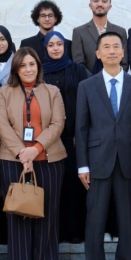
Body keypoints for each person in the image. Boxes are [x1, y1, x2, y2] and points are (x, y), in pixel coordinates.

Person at [76, 32, 131, 260]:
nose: (111, 51)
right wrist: (82, 166)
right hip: (97, 163)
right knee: (95, 222)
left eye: (116, 46)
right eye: (105, 47)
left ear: (123, 52)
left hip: (128, 163)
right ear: (97, 53)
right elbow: (81, 129)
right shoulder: (87, 86)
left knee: (127, 223)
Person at [0, 47, 67, 260]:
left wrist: (35, 149)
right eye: (23, 65)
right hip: (12, 161)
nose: (28, 69)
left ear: (38, 67)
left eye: (32, 64)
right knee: (18, 218)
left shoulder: (52, 91)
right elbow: (1, 125)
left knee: (47, 219)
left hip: (49, 160)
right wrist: (21, 153)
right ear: (16, 69)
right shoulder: (4, 93)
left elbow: (58, 123)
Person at [41, 30, 91, 244]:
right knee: (52, 184)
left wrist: (81, 133)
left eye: (59, 44)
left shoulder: (77, 70)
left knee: (72, 184)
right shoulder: (40, 71)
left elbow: (86, 102)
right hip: (47, 138)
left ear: (65, 46)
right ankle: (55, 231)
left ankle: (75, 231)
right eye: (51, 45)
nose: (55, 48)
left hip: (72, 137)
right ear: (45, 48)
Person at [71, 0, 128, 73]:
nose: (100, 4)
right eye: (96, 0)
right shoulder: (79, 32)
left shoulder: (120, 32)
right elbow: (78, 64)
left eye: (104, 1)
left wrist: (112, 77)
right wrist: (95, 79)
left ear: (110, 7)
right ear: (90, 5)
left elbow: (124, 63)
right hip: (89, 80)